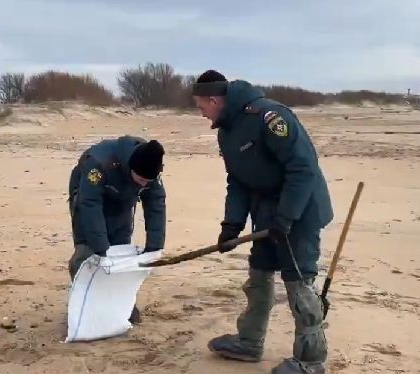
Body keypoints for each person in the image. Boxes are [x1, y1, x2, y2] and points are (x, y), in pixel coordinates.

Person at [192, 70, 334, 374]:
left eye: (201, 106)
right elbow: (238, 181)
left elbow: (304, 169)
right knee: (259, 275)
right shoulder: (226, 132)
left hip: (301, 209)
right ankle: (249, 342)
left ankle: (311, 361)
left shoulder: (270, 117)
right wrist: (231, 224)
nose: (200, 113)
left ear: (215, 100)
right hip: (267, 211)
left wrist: (287, 218)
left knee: (299, 283)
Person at [67, 135, 167, 324]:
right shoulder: (98, 164)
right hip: (88, 195)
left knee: (120, 248)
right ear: (131, 168)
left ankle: (118, 303)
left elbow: (156, 204)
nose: (145, 184)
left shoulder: (150, 169)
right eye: (142, 179)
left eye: (149, 181)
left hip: (123, 197)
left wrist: (154, 246)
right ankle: (86, 303)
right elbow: (90, 204)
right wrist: (100, 249)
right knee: (88, 251)